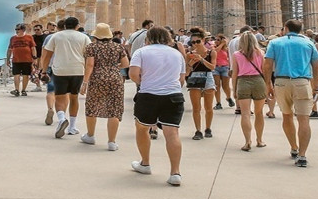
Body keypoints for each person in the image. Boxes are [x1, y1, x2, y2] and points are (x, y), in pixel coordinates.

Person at [128, 26, 186, 185]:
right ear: (168, 38)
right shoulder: (177, 54)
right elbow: (181, 79)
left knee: (142, 127)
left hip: (148, 95)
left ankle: (145, 163)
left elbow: (133, 74)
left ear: (148, 38)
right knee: (172, 133)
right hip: (173, 95)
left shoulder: (141, 52)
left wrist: (143, 83)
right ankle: (175, 172)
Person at [263, 19, 318, 167]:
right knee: (304, 120)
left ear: (286, 28)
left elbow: (267, 65)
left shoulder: (275, 43)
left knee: (287, 116)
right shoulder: (309, 43)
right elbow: (317, 67)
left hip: (281, 82)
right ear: (300, 30)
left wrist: (268, 84)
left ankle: (294, 147)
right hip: (302, 82)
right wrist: (315, 87)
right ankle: (302, 156)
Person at [79, 23, 128, 151]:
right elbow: (125, 63)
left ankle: (90, 135)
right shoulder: (118, 47)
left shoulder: (92, 47)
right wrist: (112, 68)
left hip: (97, 79)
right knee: (114, 109)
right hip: (115, 79)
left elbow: (90, 65)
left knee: (92, 105)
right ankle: (111, 142)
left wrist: (85, 82)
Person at [38, 16, 88, 138]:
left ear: (65, 25)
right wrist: (87, 76)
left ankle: (61, 119)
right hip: (78, 70)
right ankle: (72, 127)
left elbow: (47, 55)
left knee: (59, 97)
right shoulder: (84, 37)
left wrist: (44, 71)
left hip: (60, 70)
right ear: (77, 26)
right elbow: (88, 56)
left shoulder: (56, 36)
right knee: (74, 98)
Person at [230, 28, 271, 151]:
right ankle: (259, 140)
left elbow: (235, 73)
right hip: (258, 81)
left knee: (245, 113)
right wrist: (269, 86)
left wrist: (234, 88)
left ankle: (247, 141)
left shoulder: (237, 55)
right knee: (259, 113)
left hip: (243, 81)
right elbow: (265, 71)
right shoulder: (261, 53)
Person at [183, 33, 216, 140]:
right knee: (196, 107)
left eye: (198, 41)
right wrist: (190, 63)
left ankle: (208, 128)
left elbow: (212, 67)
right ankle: (198, 130)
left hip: (208, 76)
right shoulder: (189, 54)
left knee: (208, 107)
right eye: (193, 42)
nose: (195, 44)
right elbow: (187, 73)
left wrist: (201, 59)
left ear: (203, 40)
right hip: (195, 78)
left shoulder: (211, 52)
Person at [7, 23, 36, 97]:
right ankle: (17, 89)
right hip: (16, 60)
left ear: (23, 30)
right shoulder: (13, 38)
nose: (16, 31)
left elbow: (33, 48)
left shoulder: (29, 37)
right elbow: (10, 49)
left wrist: (34, 58)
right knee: (16, 75)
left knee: (26, 75)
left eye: (18, 29)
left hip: (27, 59)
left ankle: (23, 90)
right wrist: (8, 59)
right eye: (16, 29)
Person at [212, 33, 234, 109]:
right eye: (216, 39)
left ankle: (228, 97)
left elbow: (230, 58)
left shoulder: (226, 49)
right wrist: (221, 44)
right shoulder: (213, 47)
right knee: (217, 86)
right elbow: (215, 51)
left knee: (226, 86)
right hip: (216, 67)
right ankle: (218, 103)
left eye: (218, 40)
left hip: (225, 67)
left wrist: (230, 68)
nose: (216, 41)